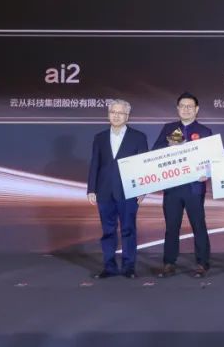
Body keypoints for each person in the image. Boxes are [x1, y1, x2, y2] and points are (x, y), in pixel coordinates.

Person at [86, 99, 149, 279]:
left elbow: (144, 165)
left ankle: (129, 267)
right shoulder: (100, 137)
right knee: (108, 231)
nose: (116, 115)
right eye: (113, 112)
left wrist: (143, 190)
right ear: (108, 114)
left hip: (129, 191)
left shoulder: (138, 137)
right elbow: (95, 164)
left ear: (127, 116)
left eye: (120, 113)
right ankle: (109, 267)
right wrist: (91, 189)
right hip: (104, 190)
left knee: (128, 229)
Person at [153, 93, 212, 278]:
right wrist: (169, 148)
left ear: (196, 109)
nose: (186, 109)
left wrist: (207, 173)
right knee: (172, 226)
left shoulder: (205, 131)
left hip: (195, 187)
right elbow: (155, 152)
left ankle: (202, 263)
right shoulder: (168, 128)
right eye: (182, 106)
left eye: (190, 106)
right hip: (172, 187)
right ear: (177, 108)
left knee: (198, 226)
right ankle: (169, 263)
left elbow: (213, 159)